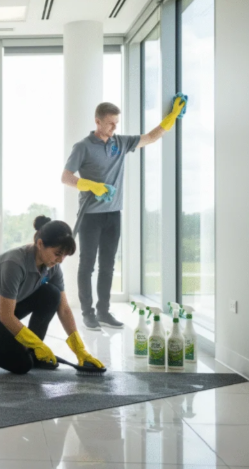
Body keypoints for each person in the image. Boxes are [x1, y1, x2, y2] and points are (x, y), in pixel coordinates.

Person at [61, 98, 186, 331]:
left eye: (116, 123)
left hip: (113, 215)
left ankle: (103, 312)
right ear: (97, 122)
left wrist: (171, 117)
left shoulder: (121, 142)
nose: (114, 128)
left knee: (108, 265)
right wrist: (91, 185)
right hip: (90, 216)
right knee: (87, 265)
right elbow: (66, 177)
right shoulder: (83, 147)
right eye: (110, 123)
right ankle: (87, 314)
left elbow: (150, 137)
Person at [0, 216, 104, 374]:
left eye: (64, 255)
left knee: (51, 294)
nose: (60, 260)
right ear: (40, 244)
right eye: (57, 253)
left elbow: (64, 309)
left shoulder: (52, 266)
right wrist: (36, 344)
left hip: (3, 310)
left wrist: (80, 350)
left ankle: (34, 354)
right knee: (21, 364)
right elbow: (6, 317)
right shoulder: (14, 263)